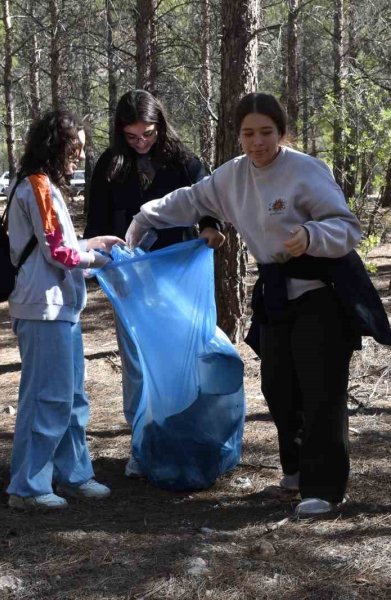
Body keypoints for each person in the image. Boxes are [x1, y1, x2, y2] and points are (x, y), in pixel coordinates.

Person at [126, 92, 391, 517]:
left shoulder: (305, 171)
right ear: (238, 136)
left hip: (323, 288)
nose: (257, 142)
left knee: (321, 389)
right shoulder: (232, 177)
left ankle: (325, 487)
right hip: (276, 291)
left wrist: (312, 237)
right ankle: (296, 470)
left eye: (266, 132)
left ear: (281, 132)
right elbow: (189, 200)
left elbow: (346, 227)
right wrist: (144, 218)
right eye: (248, 134)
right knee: (278, 385)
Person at [84, 89, 225, 478]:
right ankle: (141, 443)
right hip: (129, 281)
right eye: (132, 136)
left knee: (181, 358)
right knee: (136, 364)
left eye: (147, 134)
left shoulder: (182, 160)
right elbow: (95, 225)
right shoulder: (110, 166)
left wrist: (212, 227)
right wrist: (104, 266)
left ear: (160, 126)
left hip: (177, 275)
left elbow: (209, 199)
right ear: (119, 133)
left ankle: (184, 436)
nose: (141, 142)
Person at [6, 108, 123, 510]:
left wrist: (95, 244)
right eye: (75, 149)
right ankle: (28, 486)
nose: (79, 157)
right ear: (56, 147)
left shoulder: (45, 188)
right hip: (43, 310)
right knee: (45, 398)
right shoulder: (37, 186)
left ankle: (73, 474)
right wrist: (98, 260)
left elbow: (61, 246)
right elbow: (58, 252)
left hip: (61, 309)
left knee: (72, 397)